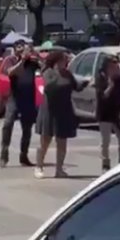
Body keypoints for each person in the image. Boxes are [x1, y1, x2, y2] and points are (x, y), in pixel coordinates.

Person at [34, 51, 88, 179]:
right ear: (57, 61)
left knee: (62, 142)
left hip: (64, 110)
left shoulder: (68, 74)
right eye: (64, 60)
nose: (66, 62)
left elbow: (76, 86)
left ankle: (59, 169)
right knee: (45, 141)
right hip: (49, 111)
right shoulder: (48, 73)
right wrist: (59, 75)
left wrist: (85, 82)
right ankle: (39, 166)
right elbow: (49, 87)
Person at [0, 41, 38, 167]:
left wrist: (35, 54)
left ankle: (24, 155)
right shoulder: (10, 60)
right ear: (15, 49)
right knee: (8, 124)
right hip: (14, 98)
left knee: (27, 128)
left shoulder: (32, 62)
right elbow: (11, 72)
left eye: (25, 48)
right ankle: (4, 152)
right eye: (19, 47)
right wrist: (22, 60)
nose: (22, 50)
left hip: (28, 98)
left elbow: (44, 67)